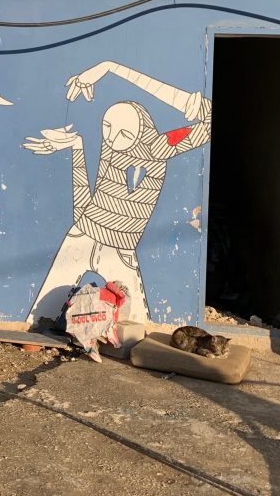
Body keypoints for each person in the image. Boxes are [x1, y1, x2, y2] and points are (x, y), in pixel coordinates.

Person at [24, 60, 212, 323]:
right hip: (81, 234)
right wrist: (77, 148)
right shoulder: (110, 149)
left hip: (120, 250)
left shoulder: (157, 148)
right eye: (107, 127)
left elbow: (209, 119)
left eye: (124, 132)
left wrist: (111, 67)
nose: (112, 138)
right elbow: (89, 210)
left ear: (141, 131)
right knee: (39, 319)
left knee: (133, 327)